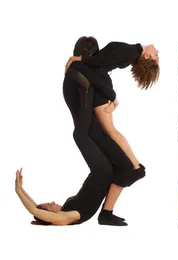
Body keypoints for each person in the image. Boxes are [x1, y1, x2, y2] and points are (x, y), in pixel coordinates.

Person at [17, 37, 146, 226]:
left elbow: (37, 208)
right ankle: (107, 213)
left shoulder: (67, 207)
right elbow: (36, 211)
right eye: (49, 207)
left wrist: (22, 190)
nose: (52, 203)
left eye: (47, 203)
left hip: (90, 143)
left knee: (124, 167)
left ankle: (108, 211)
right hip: (90, 143)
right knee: (125, 168)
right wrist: (18, 192)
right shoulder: (70, 217)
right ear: (50, 217)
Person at [64, 40, 161, 172]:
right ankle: (131, 163)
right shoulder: (131, 52)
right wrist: (112, 96)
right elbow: (102, 64)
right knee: (106, 131)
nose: (158, 53)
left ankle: (134, 164)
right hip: (101, 90)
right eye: (157, 55)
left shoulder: (130, 52)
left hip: (100, 92)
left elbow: (99, 63)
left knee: (110, 131)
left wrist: (78, 60)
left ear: (147, 56)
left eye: (156, 56)